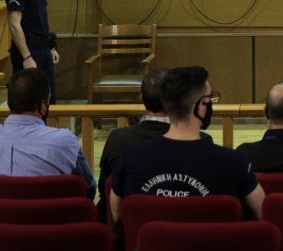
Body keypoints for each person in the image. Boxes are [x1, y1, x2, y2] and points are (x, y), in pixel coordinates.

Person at [110, 66, 265, 221]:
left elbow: (116, 219)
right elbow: (264, 216)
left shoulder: (130, 157)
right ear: (200, 107)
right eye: (209, 99)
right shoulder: (234, 162)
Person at [0, 69, 96, 198]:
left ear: (9, 102)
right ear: (43, 105)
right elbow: (88, 188)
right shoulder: (65, 140)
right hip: (50, 211)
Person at [96, 68, 175, 222]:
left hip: (130, 227)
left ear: (141, 98)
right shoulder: (200, 140)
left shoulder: (118, 139)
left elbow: (104, 189)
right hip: (181, 227)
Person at [5, 0, 59, 100]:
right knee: (29, 101)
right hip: (28, 51)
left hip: (43, 49)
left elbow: (40, 16)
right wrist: (27, 57)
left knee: (49, 99)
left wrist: (50, 47)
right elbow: (14, 25)